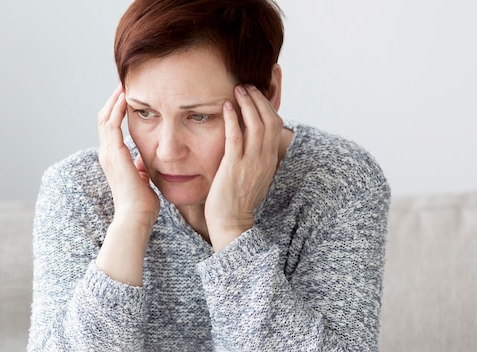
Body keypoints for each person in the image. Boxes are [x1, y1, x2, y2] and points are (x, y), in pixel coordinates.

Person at [27, 0, 390, 351]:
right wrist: (130, 224)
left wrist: (232, 226)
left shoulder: (339, 181)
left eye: (200, 116)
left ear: (270, 93)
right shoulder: (78, 189)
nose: (167, 151)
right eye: (144, 113)